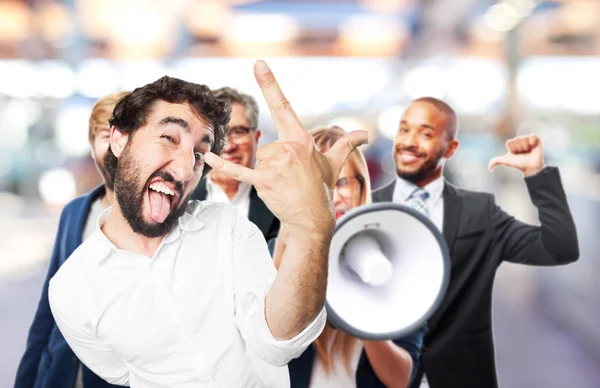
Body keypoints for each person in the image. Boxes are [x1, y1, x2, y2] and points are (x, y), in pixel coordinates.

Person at [47, 62, 368, 388]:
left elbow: (279, 341)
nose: (186, 169)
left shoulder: (227, 227)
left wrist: (312, 227)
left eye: (200, 153)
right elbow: (122, 374)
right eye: (170, 138)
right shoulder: (71, 290)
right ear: (119, 140)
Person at [372, 97, 579, 388]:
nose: (409, 141)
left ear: (451, 148)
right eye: (404, 130)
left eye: (426, 134)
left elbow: (559, 248)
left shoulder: (479, 212)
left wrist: (536, 175)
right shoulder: (366, 210)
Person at [272, 125, 426, 388]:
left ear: (361, 186)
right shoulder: (272, 252)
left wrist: (363, 315)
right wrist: (284, 254)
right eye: (319, 184)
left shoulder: (397, 257)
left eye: (342, 182)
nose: (331, 196)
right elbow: (263, 346)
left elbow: (401, 379)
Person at [15, 91, 131, 388]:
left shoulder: (158, 218)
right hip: (59, 374)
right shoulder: (74, 212)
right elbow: (47, 309)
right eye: (107, 135)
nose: (117, 146)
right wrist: (27, 378)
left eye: (128, 135)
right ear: (92, 145)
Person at [192, 86, 280, 242]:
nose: (228, 145)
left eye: (238, 131)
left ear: (256, 137)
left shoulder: (280, 202)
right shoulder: (179, 203)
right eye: (218, 134)